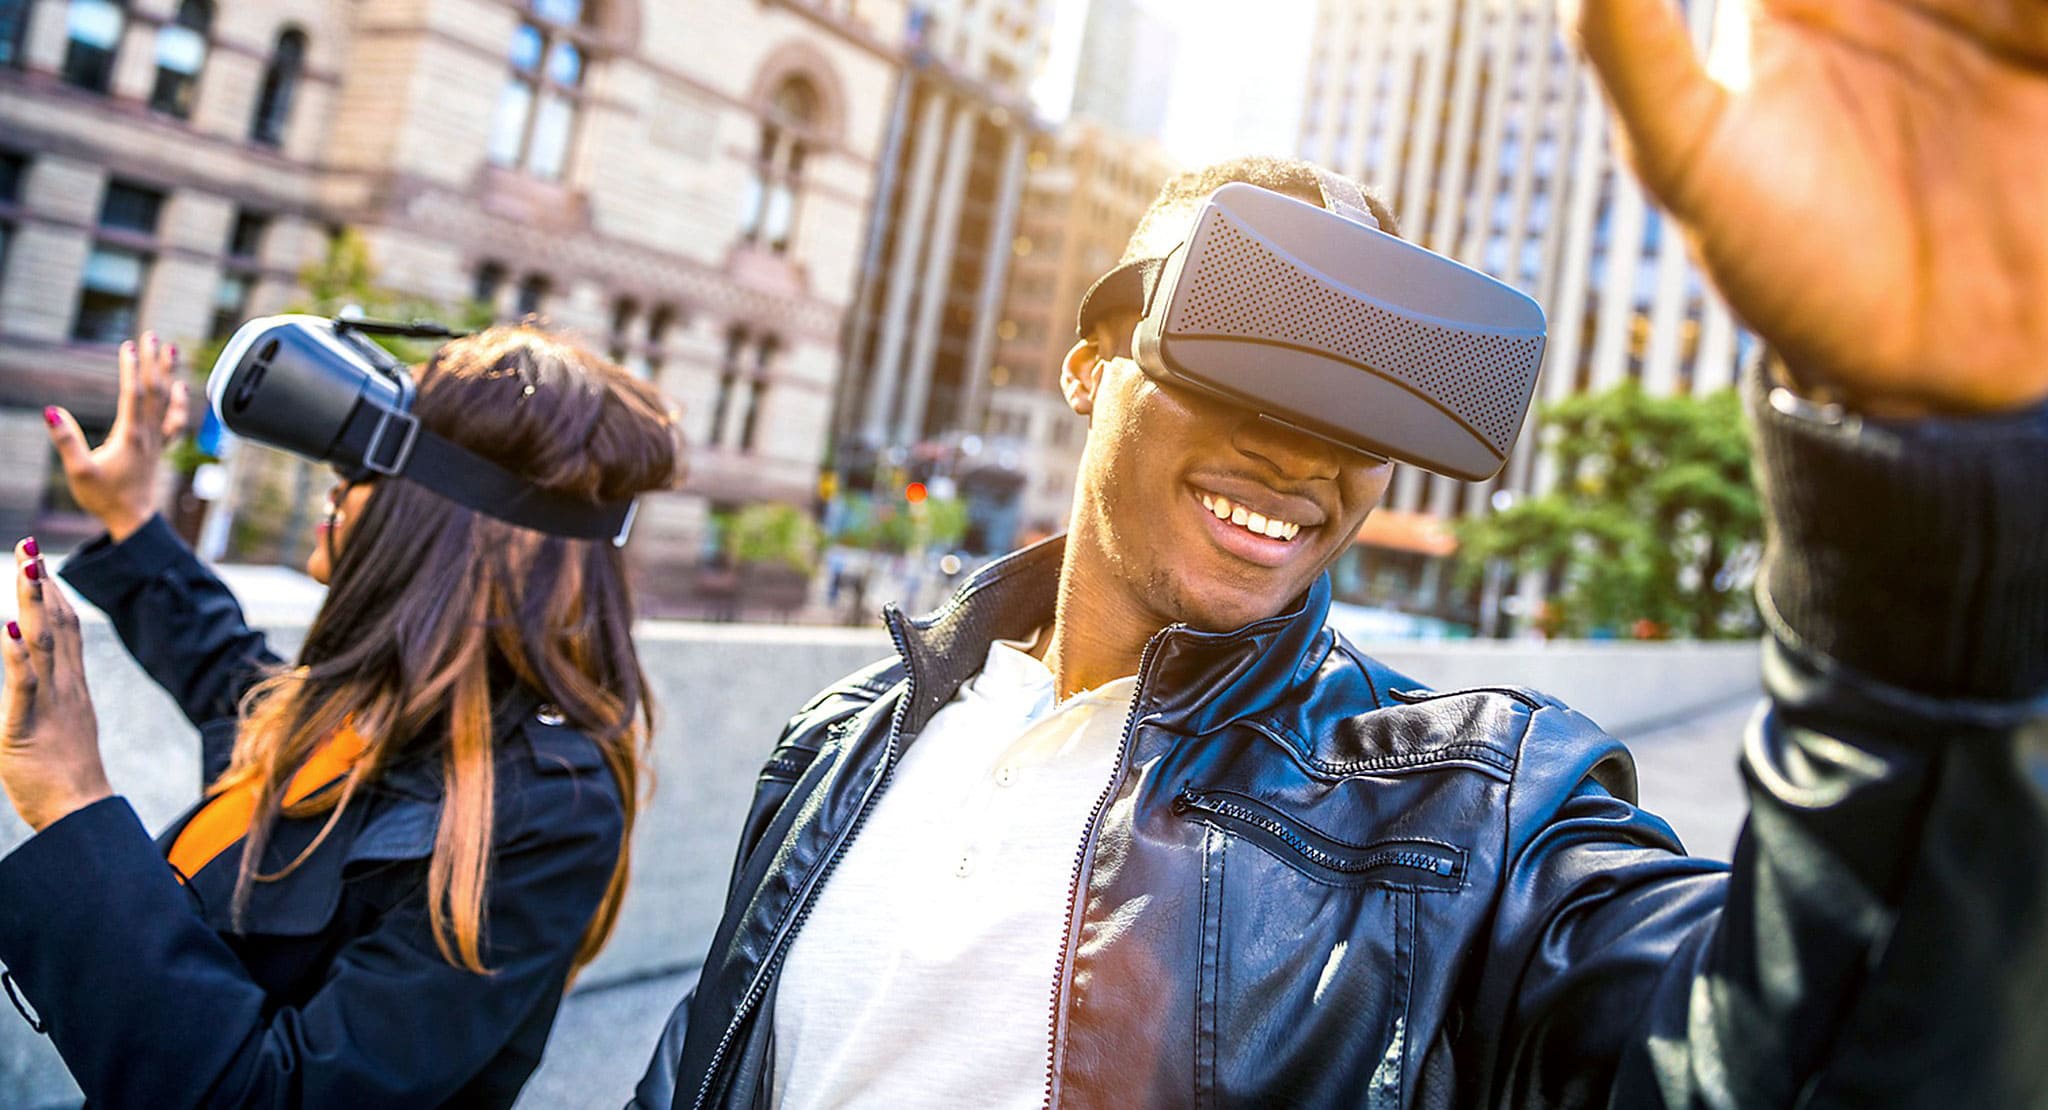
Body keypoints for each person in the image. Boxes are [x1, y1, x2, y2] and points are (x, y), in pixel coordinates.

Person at [631, 0, 2048, 1104]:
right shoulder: (846, 738)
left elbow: (1801, 1054)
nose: (1303, 458)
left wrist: (1936, 473)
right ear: (1088, 363)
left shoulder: (1465, 817)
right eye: (1243, 362)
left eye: (1368, 413)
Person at [0, 326, 682, 1107]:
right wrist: (131, 518)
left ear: (448, 518)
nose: (336, 483)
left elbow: (281, 1095)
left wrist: (73, 802)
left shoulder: (546, 810)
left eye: (365, 463)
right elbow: (231, 674)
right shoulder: (364, 709)